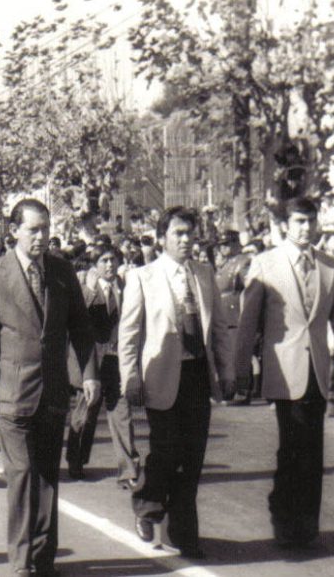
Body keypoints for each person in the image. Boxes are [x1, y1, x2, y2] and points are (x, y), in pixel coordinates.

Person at [0, 198, 99, 577]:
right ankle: (20, 562)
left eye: (45, 228)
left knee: (47, 476)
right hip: (12, 392)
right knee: (23, 473)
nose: (42, 237)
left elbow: (80, 327)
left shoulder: (61, 272)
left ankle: (44, 559)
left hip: (54, 391)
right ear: (14, 231)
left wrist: (89, 373)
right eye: (33, 230)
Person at [234, 197, 334, 549]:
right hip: (283, 369)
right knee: (294, 443)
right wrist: (241, 370)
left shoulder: (329, 267)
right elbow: (248, 324)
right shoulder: (265, 263)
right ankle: (286, 516)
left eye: (310, 221)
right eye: (299, 221)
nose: (306, 228)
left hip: (317, 368)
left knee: (312, 448)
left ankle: (306, 525)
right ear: (286, 225)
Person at [118, 207, 234, 558]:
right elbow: (129, 332)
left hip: (197, 375)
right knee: (167, 452)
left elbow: (218, 330)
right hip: (161, 376)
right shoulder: (143, 277)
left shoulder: (204, 273)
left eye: (190, 233)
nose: (186, 240)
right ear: (163, 237)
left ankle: (183, 532)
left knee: (193, 456)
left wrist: (227, 372)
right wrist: (131, 376)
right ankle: (147, 506)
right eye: (178, 233)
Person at [66, 244, 139, 488]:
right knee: (85, 415)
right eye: (104, 261)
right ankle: (76, 460)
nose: (110, 265)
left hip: (117, 361)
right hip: (90, 363)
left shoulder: (128, 287)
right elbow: (76, 317)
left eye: (113, 259)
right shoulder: (86, 289)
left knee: (122, 413)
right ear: (94, 265)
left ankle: (128, 470)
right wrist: (88, 288)